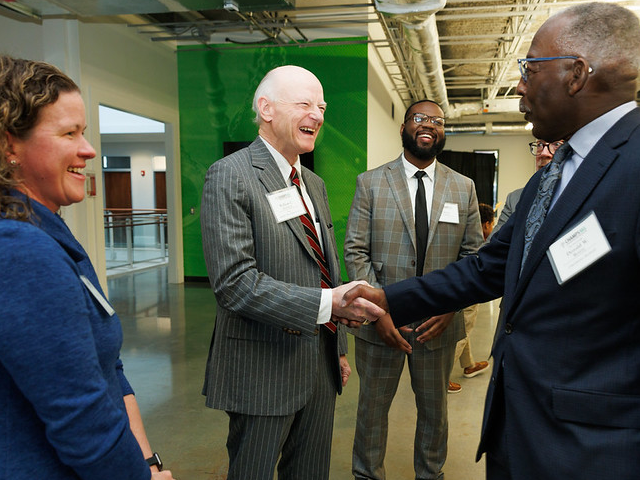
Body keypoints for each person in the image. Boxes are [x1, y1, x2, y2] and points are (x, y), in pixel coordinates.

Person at [342, 3, 640, 479]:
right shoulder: (554, 175)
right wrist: (388, 299)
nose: (520, 86)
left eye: (530, 68)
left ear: (576, 74)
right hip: (518, 427)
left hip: (593, 449)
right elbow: (489, 267)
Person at [199, 65, 382, 480]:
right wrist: (327, 304)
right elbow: (234, 284)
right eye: (304, 103)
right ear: (266, 108)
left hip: (319, 366)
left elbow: (324, 267)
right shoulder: (230, 176)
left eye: (321, 106)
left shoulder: (312, 183)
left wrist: (337, 350)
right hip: (261, 367)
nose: (317, 114)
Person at [0, 56, 175, 480]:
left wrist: (148, 462)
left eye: (85, 132)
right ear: (10, 146)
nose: (88, 149)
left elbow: (108, 367)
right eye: (68, 133)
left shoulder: (49, 229)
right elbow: (82, 421)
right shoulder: (21, 251)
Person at [343, 99, 483, 479]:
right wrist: (379, 312)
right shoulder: (371, 182)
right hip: (381, 325)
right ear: (404, 127)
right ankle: (367, 474)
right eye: (419, 118)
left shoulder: (463, 187)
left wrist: (451, 306)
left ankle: (431, 474)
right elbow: (355, 250)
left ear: (442, 132)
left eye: (437, 121)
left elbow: (473, 257)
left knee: (435, 413)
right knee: (372, 411)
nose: (429, 125)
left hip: (438, 323)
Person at [448, 202, 494, 393]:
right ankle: (442, 376)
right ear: (485, 224)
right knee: (464, 331)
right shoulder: (480, 243)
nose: (492, 228)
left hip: (456, 285)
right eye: (492, 224)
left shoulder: (462, 232)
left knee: (465, 329)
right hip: (468, 290)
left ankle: (469, 365)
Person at [492, 139, 562, 236]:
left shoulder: (580, 196)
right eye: (540, 145)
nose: (544, 153)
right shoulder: (515, 199)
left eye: (557, 144)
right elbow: (492, 246)